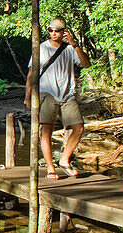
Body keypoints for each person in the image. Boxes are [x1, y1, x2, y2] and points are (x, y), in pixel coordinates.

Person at [25, 16, 91, 178]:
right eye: (51, 30)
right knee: (46, 131)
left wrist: (75, 44)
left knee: (79, 127)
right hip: (47, 94)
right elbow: (31, 74)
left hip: (68, 94)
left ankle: (64, 159)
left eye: (57, 31)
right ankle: (50, 168)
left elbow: (85, 64)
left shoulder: (70, 49)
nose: (54, 33)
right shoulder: (41, 48)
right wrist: (27, 96)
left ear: (64, 32)